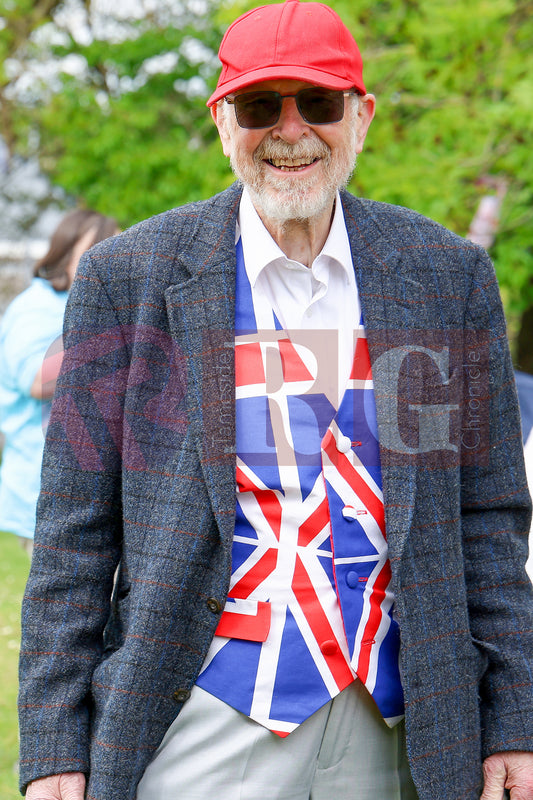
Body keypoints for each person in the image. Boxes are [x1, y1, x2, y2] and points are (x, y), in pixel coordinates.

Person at [18, 2, 533, 799]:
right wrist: (54, 745)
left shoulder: (442, 275)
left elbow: (487, 518)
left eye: (318, 103)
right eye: (261, 105)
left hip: (400, 727)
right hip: (199, 720)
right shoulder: (127, 278)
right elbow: (72, 535)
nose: (290, 131)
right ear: (223, 120)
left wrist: (512, 721)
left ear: (361, 115)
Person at [0, 209, 118, 555]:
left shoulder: (79, 305)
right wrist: (99, 317)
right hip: (41, 492)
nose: (109, 260)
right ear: (67, 251)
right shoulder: (36, 307)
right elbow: (38, 380)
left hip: (87, 488)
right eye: (97, 249)